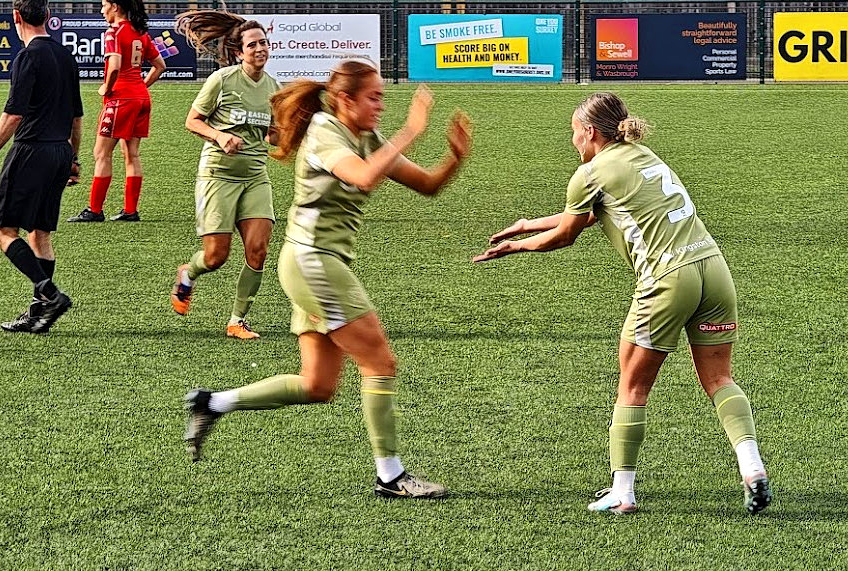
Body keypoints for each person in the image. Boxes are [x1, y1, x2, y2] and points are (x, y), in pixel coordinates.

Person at [182, 61, 472, 498]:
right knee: (380, 363)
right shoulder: (324, 130)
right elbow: (364, 175)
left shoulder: (364, 137)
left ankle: (212, 402)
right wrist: (412, 129)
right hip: (314, 262)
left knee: (318, 385)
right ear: (344, 100)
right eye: (373, 96)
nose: (380, 105)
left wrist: (453, 158)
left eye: (381, 97)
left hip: (314, 264)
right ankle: (390, 476)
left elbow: (426, 185)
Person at [473, 92, 772, 515]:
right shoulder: (640, 152)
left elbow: (566, 234)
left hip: (668, 279)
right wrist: (526, 224)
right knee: (720, 379)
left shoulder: (590, 172)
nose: (572, 140)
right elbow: (594, 214)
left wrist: (517, 247)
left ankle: (623, 492)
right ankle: (752, 467)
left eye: (574, 132)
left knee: (632, 387)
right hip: (714, 271)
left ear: (590, 132)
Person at [0, 0, 82, 334]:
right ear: (47, 16)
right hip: (60, 152)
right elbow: (77, 117)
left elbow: (14, 114)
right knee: (41, 235)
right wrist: (74, 160)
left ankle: (49, 295)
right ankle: (39, 316)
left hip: (31, 150)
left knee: (2, 232)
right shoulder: (66, 56)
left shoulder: (27, 57)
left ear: (16, 17)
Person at [168, 10, 281, 339]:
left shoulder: (275, 89)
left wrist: (290, 132)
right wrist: (219, 136)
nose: (260, 49)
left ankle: (237, 320)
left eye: (264, 43)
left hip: (256, 175)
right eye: (253, 45)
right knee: (216, 256)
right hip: (218, 175)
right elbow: (192, 121)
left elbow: (273, 135)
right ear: (238, 52)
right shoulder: (222, 80)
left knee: (258, 250)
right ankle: (188, 273)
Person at [68, 0, 165, 223]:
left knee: (101, 153)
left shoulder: (113, 32)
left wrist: (107, 88)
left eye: (104, 5)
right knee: (131, 154)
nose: (102, 11)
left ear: (115, 7)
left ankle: (95, 210)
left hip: (121, 98)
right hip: (141, 98)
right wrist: (140, 87)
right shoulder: (140, 32)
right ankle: (130, 211)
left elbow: (114, 65)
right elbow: (160, 65)